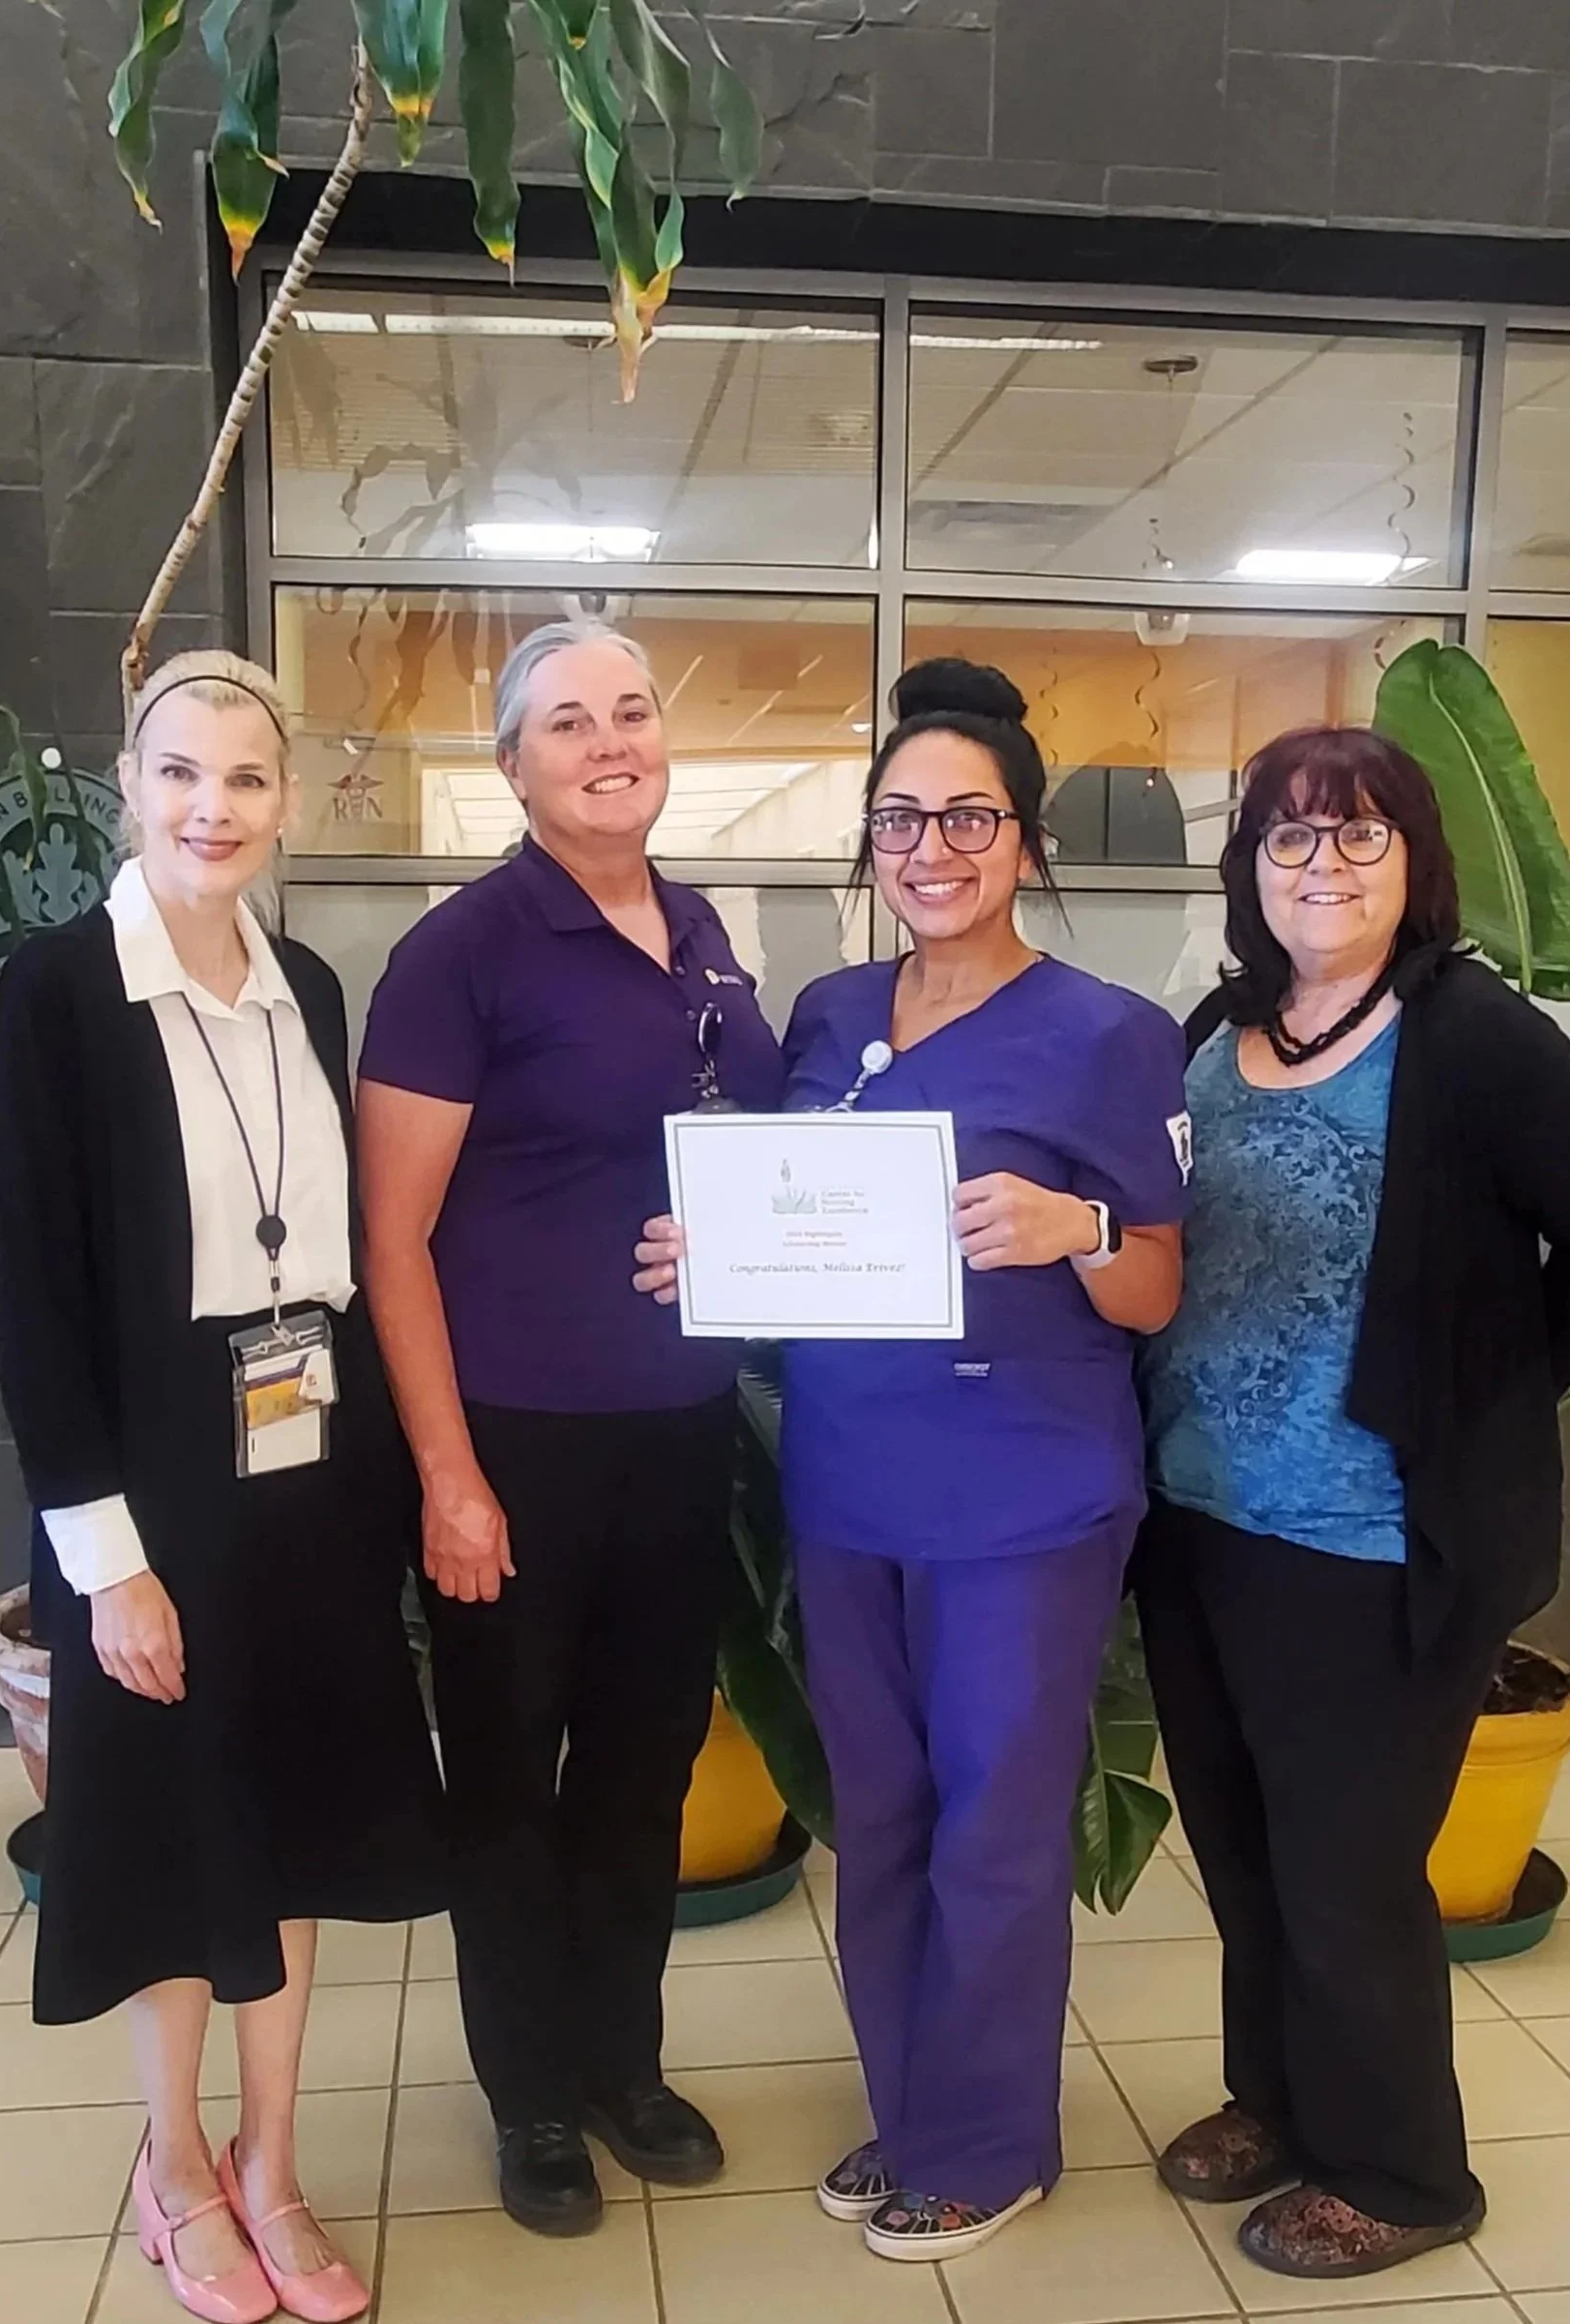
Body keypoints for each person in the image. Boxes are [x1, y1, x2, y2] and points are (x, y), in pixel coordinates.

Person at [636, 660, 1191, 2261]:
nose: (930, 845)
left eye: (968, 816)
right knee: (875, 1815)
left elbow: (1151, 1282)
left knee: (996, 1825)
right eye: (900, 816)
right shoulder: (827, 1015)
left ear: (1024, 840)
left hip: (1022, 1496)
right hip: (851, 1481)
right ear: (867, 840)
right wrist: (710, 1256)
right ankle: (911, 2111)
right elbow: (790, 1217)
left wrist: (1075, 1225)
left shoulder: (1107, 1035)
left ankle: (989, 2139)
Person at [0, 650, 445, 2324]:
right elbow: (34, 1300)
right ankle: (172, 2160)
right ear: (130, 778)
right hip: (160, 1467)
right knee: (177, 1826)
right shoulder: (54, 990)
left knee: (299, 1815)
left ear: (285, 798)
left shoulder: (305, 984)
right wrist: (106, 1561)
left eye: (244, 779)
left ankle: (269, 2156)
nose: (211, 808)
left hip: (305, 1449)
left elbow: (317, 1249)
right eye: (181, 772)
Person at [355, 619, 785, 2237]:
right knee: (511, 1783)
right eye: (567, 722)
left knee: (641, 1764)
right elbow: (389, 1241)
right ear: (512, 766)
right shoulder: (462, 952)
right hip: (513, 1442)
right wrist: (448, 1477)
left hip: (677, 1428)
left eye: (632, 710)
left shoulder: (699, 932)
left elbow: (747, 1144)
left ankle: (620, 2058)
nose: (610, 740)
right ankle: (528, 2089)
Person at [1136, 724, 1570, 2280]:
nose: (1321, 865)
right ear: (1251, 867)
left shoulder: (1473, 1036)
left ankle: (1399, 2170)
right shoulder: (1219, 1020)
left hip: (1372, 1539)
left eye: (1357, 834)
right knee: (1243, 1847)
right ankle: (1282, 2098)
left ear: (1413, 858)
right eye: (1288, 838)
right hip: (1199, 1517)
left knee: (1344, 1867)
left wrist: (1499, 1377)